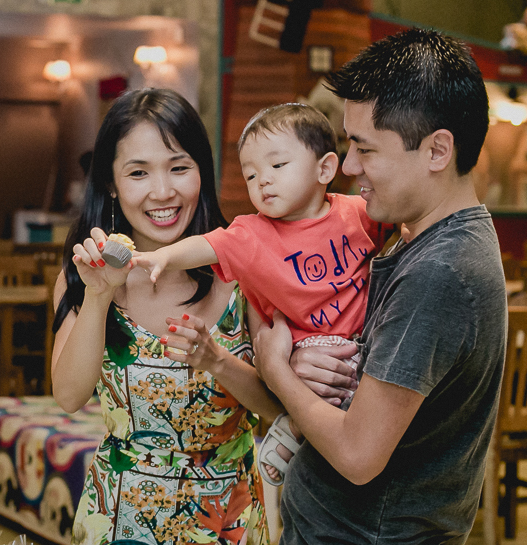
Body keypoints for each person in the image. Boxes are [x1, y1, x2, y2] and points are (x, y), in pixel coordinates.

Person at [251, 28, 506, 545]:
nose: (348, 168)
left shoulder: (440, 272)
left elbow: (361, 454)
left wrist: (279, 369)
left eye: (365, 148)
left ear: (436, 150)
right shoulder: (413, 240)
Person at [51, 87, 280, 545]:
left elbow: (275, 408)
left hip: (225, 538)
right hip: (120, 526)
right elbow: (68, 395)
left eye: (178, 166)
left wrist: (219, 364)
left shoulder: (245, 274)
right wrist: (96, 297)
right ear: (112, 186)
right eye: (138, 171)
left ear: (203, 171)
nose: (162, 190)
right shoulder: (81, 275)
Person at [129, 103, 386, 485]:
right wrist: (161, 257)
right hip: (305, 354)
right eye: (251, 175)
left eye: (277, 167)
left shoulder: (358, 213)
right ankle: (295, 429)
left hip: (365, 346)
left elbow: (401, 227)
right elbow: (205, 245)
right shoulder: (252, 234)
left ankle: (307, 432)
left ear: (325, 169)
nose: (263, 181)